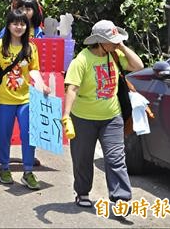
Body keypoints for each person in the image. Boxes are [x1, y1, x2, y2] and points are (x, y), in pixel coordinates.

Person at [62, 20, 143, 208]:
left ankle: (121, 199)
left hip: (112, 117)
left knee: (116, 158)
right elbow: (72, 88)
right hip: (83, 118)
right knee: (82, 159)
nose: (116, 42)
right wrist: (66, 115)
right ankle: (82, 192)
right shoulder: (81, 60)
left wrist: (121, 45)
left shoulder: (115, 55)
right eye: (112, 39)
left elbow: (138, 66)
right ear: (98, 41)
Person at [0, 9, 49, 190]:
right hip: (4, 100)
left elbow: (34, 71)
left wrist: (43, 85)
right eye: (15, 23)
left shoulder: (31, 47)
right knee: (4, 136)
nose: (19, 27)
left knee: (29, 135)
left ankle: (28, 171)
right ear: (8, 25)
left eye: (22, 24)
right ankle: (4, 168)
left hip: (25, 99)